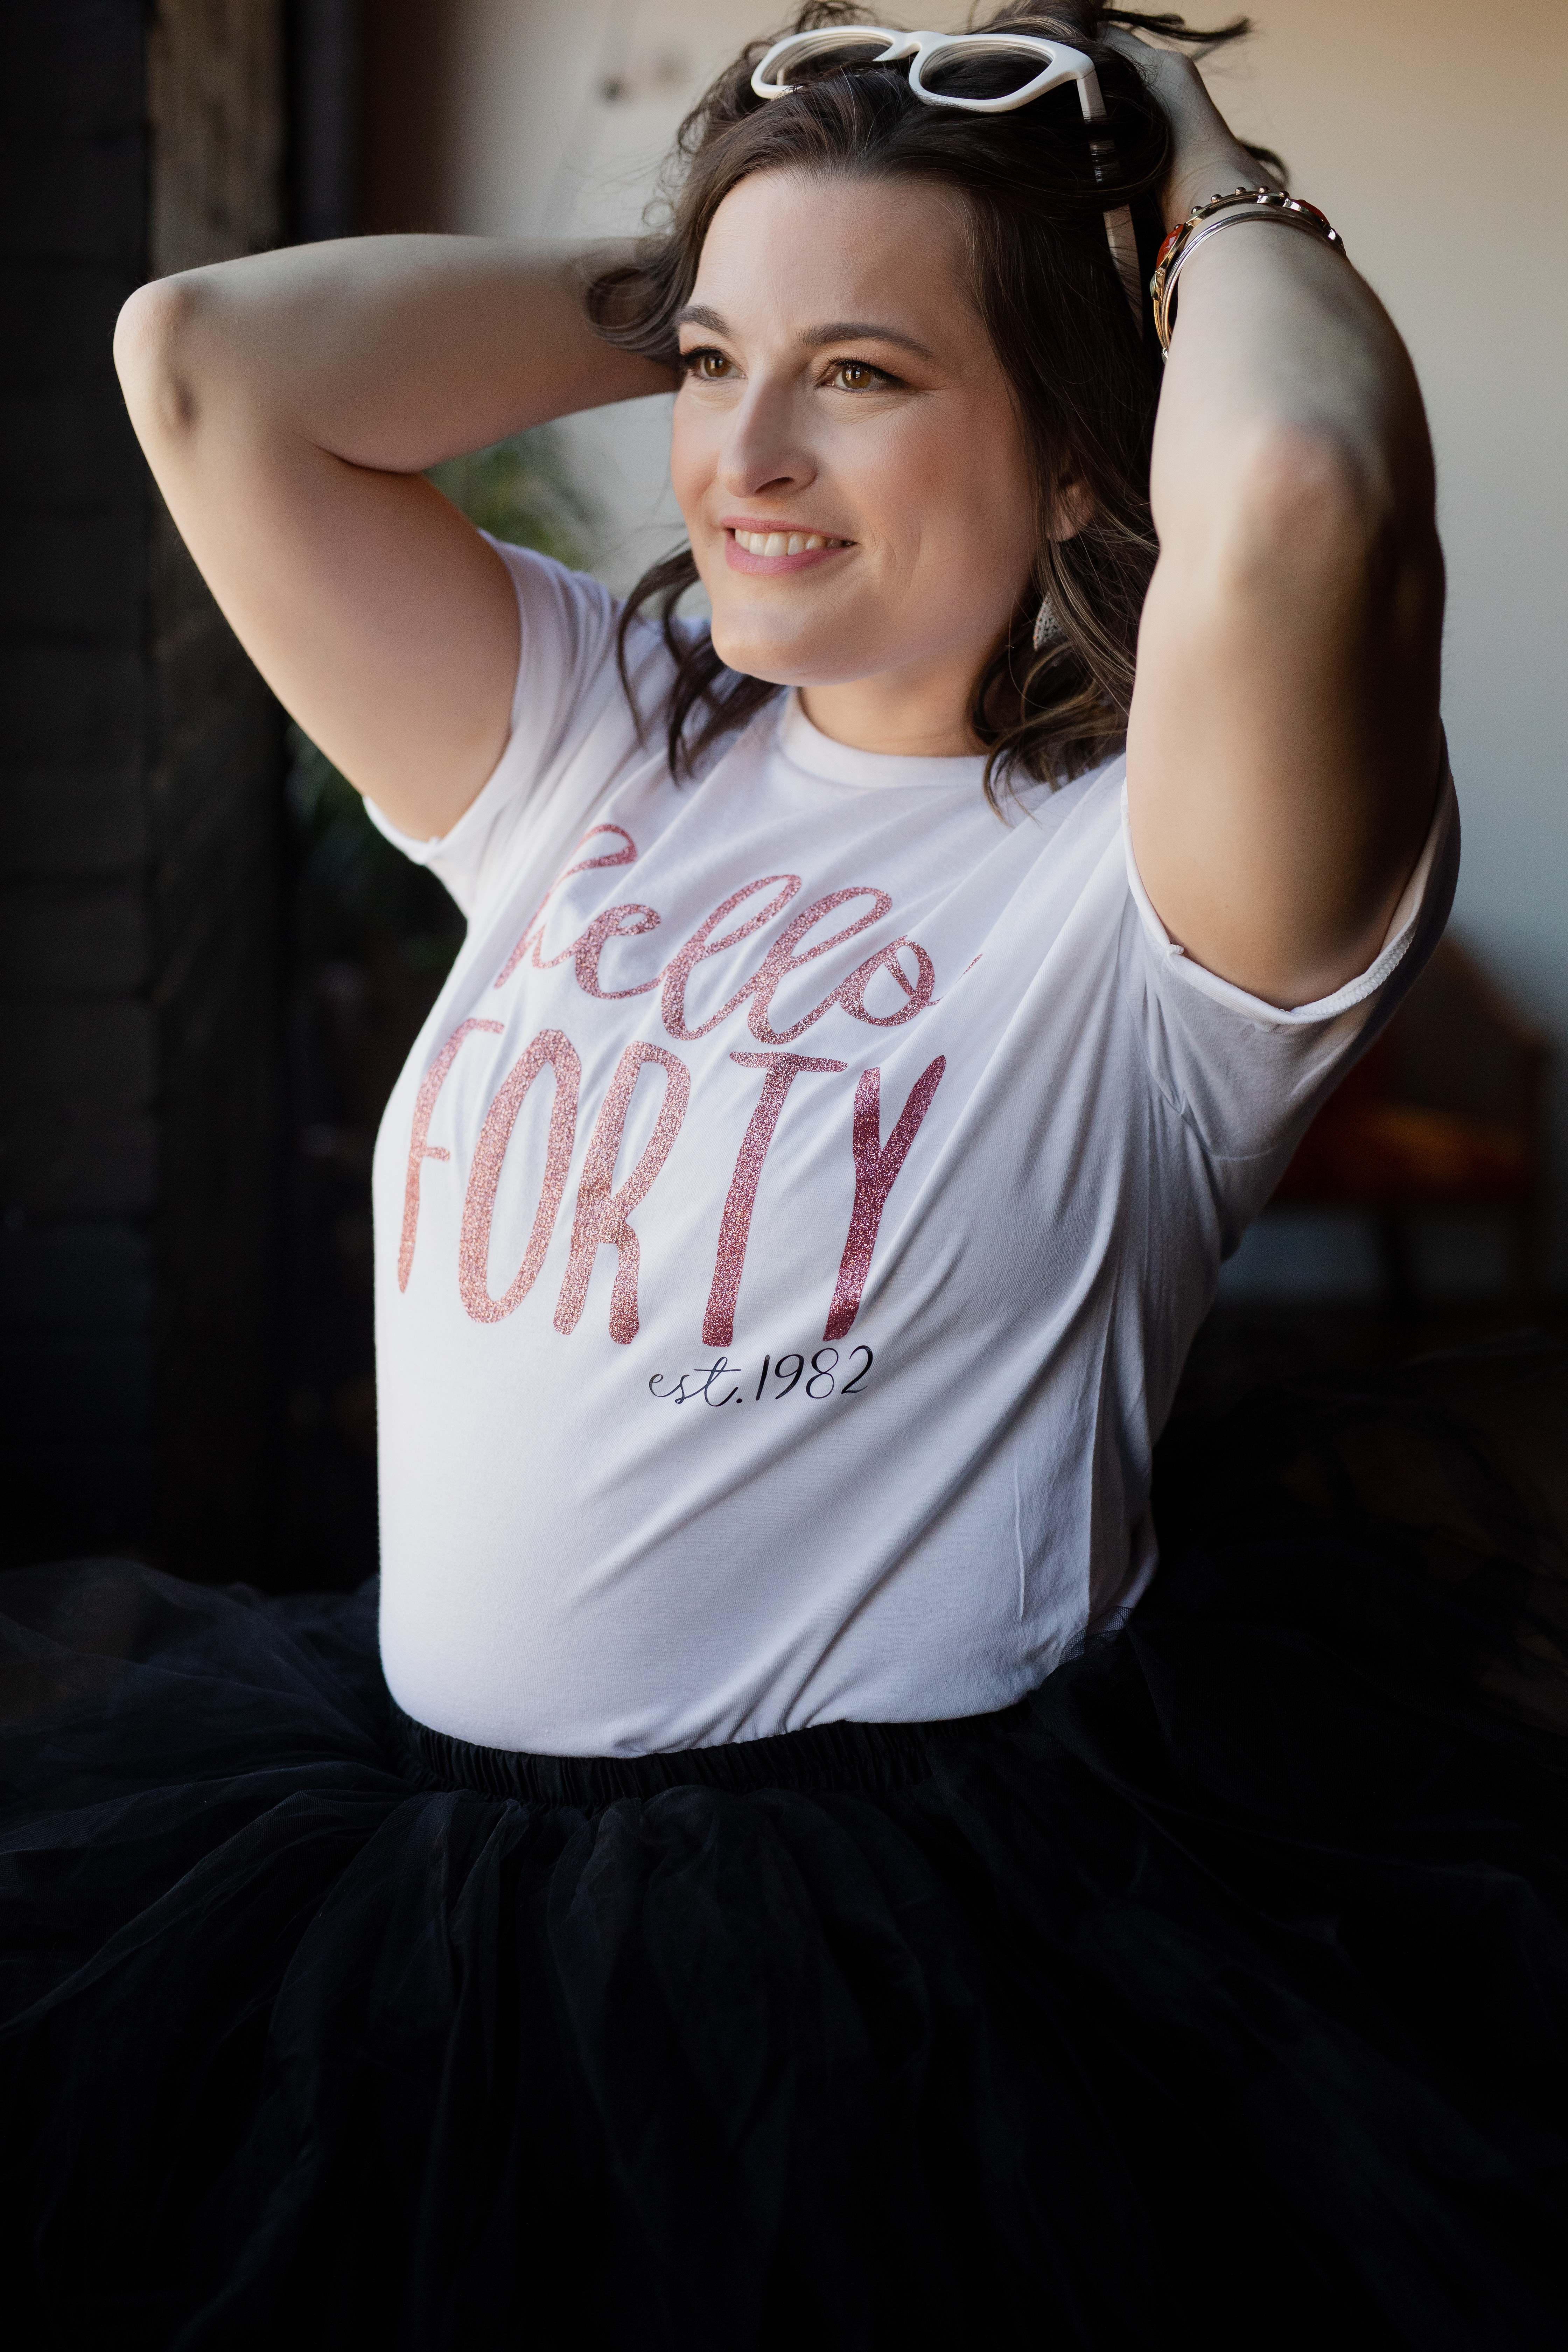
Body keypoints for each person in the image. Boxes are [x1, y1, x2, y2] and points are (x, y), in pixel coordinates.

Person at [3, 7, 1564, 2345]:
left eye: (863, 378)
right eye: (714, 367)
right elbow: (207, 362)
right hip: (414, 1897)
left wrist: (1188, 156)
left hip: (894, 1980)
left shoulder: (1155, 891)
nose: (740, 455)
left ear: (1078, 454)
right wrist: (745, 271)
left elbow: (1307, 481)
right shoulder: (593, 741)